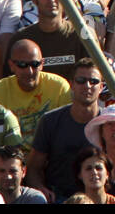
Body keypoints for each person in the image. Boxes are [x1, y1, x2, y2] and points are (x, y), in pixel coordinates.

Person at [26, 57, 103, 201]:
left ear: (102, 87)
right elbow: (33, 169)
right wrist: (40, 189)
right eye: (81, 81)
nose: (87, 86)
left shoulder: (109, 123)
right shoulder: (50, 121)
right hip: (59, 196)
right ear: (71, 84)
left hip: (98, 197)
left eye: (93, 81)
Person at [0, 38, 71, 145]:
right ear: (11, 65)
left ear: (42, 64)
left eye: (34, 64)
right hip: (12, 155)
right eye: (22, 65)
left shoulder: (59, 87)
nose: (29, 71)